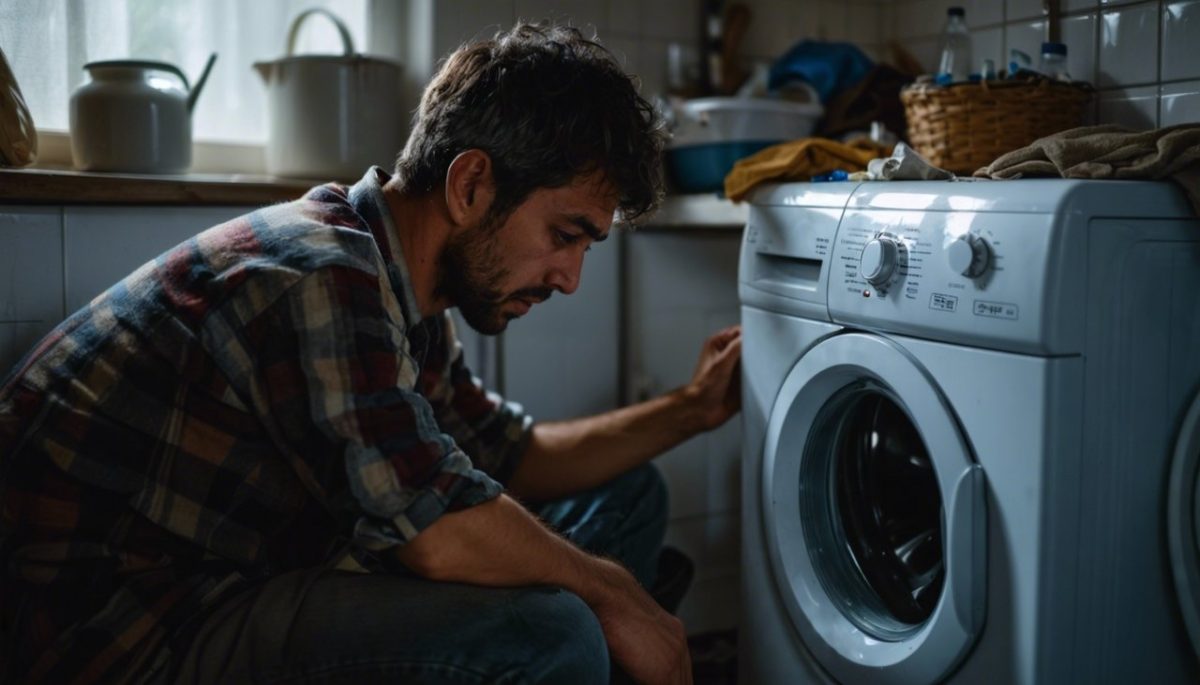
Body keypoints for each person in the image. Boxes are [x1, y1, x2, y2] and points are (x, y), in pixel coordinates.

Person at [0, 22, 742, 685]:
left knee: (627, 498)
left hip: (234, 584)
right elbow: (434, 533)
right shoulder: (320, 272)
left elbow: (509, 455)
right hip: (125, 629)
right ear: (472, 184)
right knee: (555, 631)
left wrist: (691, 409)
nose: (570, 278)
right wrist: (614, 595)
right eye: (565, 234)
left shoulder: (403, 291)